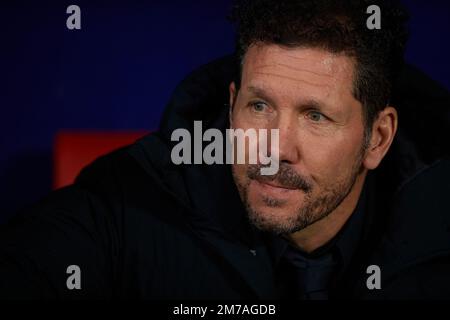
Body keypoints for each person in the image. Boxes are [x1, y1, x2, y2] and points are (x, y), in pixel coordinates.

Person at [1, 0, 450, 299]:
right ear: (231, 102)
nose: (274, 149)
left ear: (378, 138)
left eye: (315, 116)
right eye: (259, 106)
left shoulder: (437, 226)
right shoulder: (130, 200)